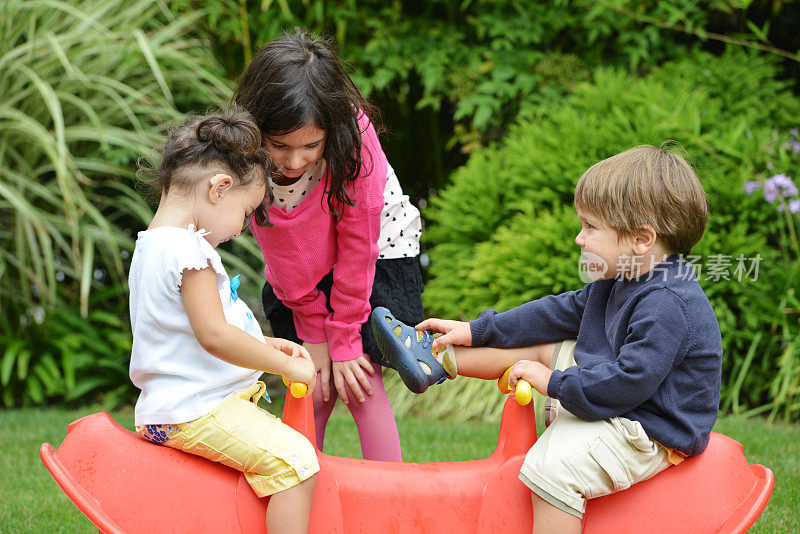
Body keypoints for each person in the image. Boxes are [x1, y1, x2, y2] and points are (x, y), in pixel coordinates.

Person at [371, 144, 723, 533]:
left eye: (590, 227)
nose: (579, 238)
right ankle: (435, 360)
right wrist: (474, 330)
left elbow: (629, 383)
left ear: (641, 239)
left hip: (651, 429)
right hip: (626, 400)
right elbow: (552, 314)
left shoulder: (667, 303)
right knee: (545, 346)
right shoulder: (624, 277)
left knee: (550, 470)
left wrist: (554, 383)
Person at [233, 28, 424, 462]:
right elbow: (285, 255)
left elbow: (359, 244)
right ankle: (293, 488)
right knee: (313, 382)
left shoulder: (354, 141)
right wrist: (315, 333)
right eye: (280, 146)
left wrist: (344, 336)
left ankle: (388, 503)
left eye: (310, 146)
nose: (296, 161)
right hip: (302, 272)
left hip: (379, 252)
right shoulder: (247, 156)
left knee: (360, 377)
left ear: (331, 130)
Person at [129, 107, 319, 533]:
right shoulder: (189, 253)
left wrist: (268, 346)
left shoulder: (152, 246)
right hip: (194, 410)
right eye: (246, 211)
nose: (242, 227)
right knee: (298, 461)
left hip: (177, 406)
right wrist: (286, 366)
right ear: (220, 189)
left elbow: (186, 334)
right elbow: (215, 336)